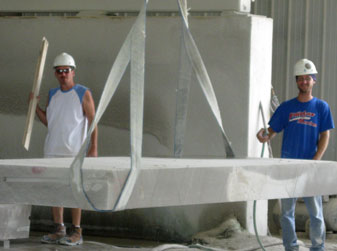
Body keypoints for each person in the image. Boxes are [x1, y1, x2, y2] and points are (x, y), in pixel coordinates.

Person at [257, 58, 334, 251]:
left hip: (310, 168)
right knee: (286, 213)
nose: (304, 82)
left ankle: (317, 247)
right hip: (287, 167)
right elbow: (271, 131)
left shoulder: (321, 107)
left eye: (308, 78)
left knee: (316, 213)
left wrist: (316, 161)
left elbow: (325, 134)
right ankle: (291, 247)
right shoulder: (286, 108)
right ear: (296, 81)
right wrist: (263, 135)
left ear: (314, 80)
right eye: (300, 78)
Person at [34, 52, 98, 246]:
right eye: (59, 71)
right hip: (53, 150)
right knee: (55, 190)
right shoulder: (53, 94)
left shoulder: (83, 92)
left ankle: (77, 231)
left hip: (74, 151)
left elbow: (93, 121)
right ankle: (59, 228)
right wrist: (34, 107)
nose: (63, 74)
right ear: (55, 73)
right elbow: (50, 122)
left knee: (74, 190)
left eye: (66, 71)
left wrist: (93, 147)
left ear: (73, 72)